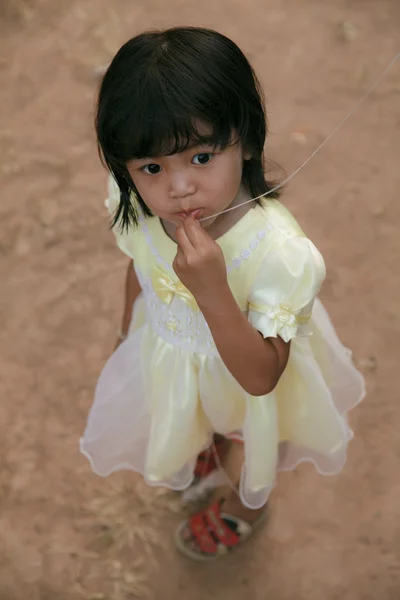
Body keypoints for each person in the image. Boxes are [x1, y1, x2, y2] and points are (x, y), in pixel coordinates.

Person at [80, 27, 365, 560]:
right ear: (126, 167)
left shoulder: (277, 251)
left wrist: (212, 290)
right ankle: (205, 448)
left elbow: (262, 376)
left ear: (248, 139)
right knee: (196, 423)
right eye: (152, 167)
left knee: (250, 449)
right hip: (175, 360)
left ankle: (246, 507)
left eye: (202, 158)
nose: (179, 186)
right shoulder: (142, 207)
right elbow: (140, 266)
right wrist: (127, 330)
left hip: (249, 377)